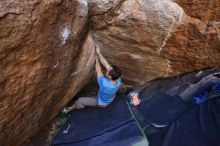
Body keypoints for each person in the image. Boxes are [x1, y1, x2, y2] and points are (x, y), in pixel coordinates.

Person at [62, 46, 122, 113]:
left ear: (110, 77)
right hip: (110, 99)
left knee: (80, 101)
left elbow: (98, 70)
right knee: (97, 92)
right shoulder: (118, 80)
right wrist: (99, 53)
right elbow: (106, 64)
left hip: (101, 103)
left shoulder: (104, 83)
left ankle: (69, 109)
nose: (107, 69)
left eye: (108, 71)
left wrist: (96, 58)